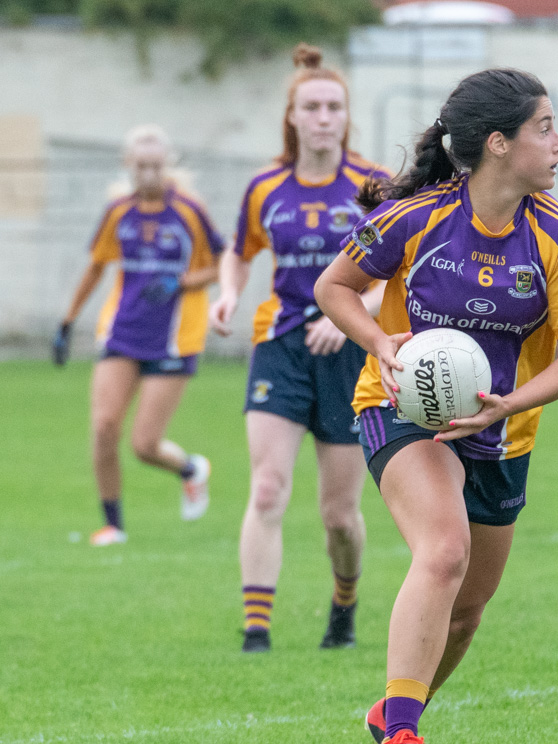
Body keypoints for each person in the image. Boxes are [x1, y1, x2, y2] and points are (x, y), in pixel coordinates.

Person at [314, 67, 558, 744]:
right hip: (399, 408)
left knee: (469, 607)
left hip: (502, 430)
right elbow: (334, 287)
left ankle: (392, 712)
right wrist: (382, 347)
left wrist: (509, 403)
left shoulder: (556, 236)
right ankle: (406, 733)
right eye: (544, 129)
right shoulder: (418, 219)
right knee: (442, 552)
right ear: (498, 145)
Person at [208, 44, 387, 654]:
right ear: (292, 116)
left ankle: (344, 604)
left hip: (347, 356)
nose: (323, 117)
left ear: (345, 116)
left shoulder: (371, 184)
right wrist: (228, 293)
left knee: (339, 514)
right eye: (311, 107)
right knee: (266, 489)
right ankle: (256, 631)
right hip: (280, 344)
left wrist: (354, 312)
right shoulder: (266, 187)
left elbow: (397, 265)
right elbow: (240, 248)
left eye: (333, 107)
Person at [55, 124, 224, 547]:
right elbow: (96, 267)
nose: (148, 174)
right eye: (140, 166)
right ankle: (113, 524)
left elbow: (222, 264)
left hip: (174, 338)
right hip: (122, 333)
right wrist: (67, 321)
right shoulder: (118, 212)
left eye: (156, 166)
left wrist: (181, 283)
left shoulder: (188, 210)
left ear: (167, 165)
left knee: (144, 445)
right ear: (127, 165)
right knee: (103, 427)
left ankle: (190, 470)